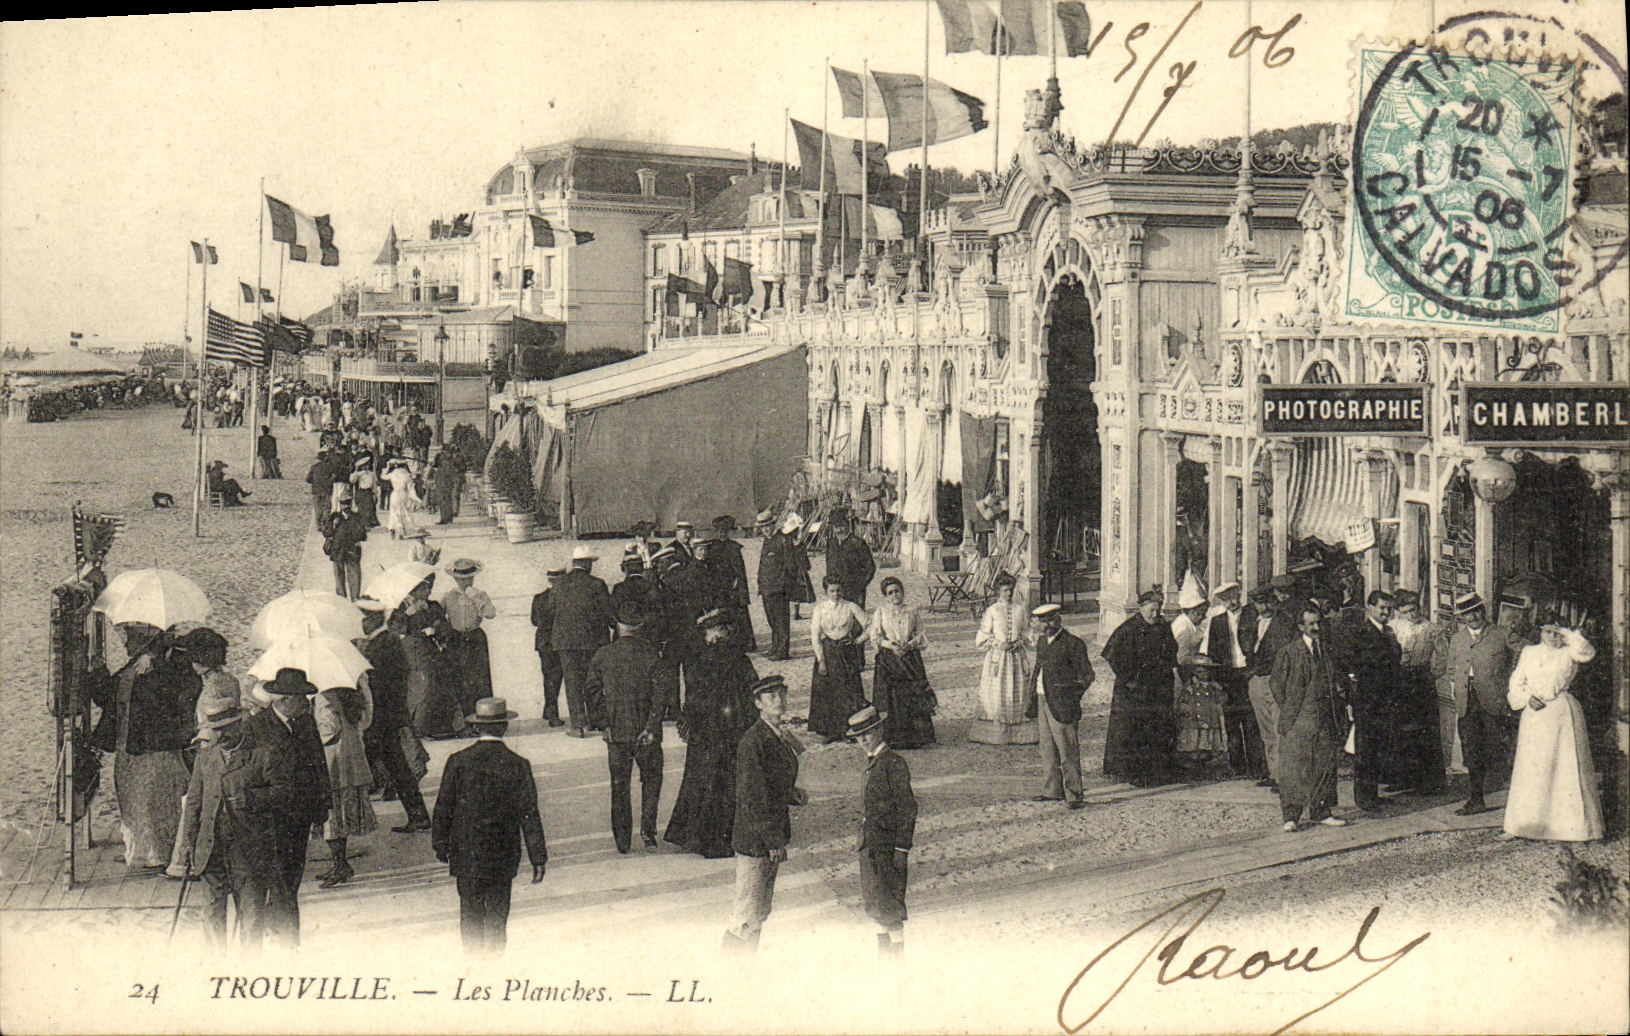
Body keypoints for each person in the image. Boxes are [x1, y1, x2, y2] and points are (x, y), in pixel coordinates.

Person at [432, 697, 548, 956]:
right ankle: (494, 966)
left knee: (470, 914)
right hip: (502, 855)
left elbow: (443, 807)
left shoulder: (458, 761)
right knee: (497, 916)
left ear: (476, 727)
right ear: (504, 726)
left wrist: (440, 844)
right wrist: (538, 857)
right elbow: (529, 814)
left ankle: (473, 965)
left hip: (466, 853)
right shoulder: (518, 764)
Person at [89, 622, 197, 870]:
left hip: (152, 748)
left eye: (132, 638)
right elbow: (107, 695)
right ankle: (139, 851)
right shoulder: (136, 664)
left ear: (145, 641)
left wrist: (155, 660)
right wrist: (99, 671)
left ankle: (157, 854)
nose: (126, 643)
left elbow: (174, 698)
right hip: (130, 746)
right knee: (132, 798)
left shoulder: (165, 665)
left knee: (153, 801)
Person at [177, 700, 275, 950]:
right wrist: (187, 842)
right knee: (212, 913)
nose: (219, 735)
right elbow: (193, 803)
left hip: (248, 849)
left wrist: (252, 799)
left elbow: (284, 793)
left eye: (224, 729)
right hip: (211, 848)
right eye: (215, 729)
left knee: (251, 915)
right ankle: (215, 964)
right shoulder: (205, 757)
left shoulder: (262, 754)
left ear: (239, 724)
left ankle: (250, 966)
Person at [243, 668, 331, 947]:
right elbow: (249, 774)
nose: (306, 702)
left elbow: (319, 765)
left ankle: (277, 922)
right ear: (286, 699)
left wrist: (322, 808)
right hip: (272, 817)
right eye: (302, 697)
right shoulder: (256, 726)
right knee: (280, 877)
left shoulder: (305, 722)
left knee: (292, 874)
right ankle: (288, 937)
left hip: (301, 816)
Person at [666, 609, 759, 858]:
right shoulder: (739, 660)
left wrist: (687, 720)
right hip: (730, 729)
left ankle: (697, 835)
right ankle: (722, 837)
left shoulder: (699, 660)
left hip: (707, 731)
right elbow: (752, 695)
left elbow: (693, 695)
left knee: (703, 779)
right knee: (725, 781)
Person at [1502, 614, 1603, 842]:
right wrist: (1527, 698)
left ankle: (1569, 828)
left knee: (1564, 766)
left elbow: (1587, 652)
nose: (1554, 637)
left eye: (1557, 633)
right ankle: (1524, 825)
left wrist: (1567, 633)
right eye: (1549, 632)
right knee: (1533, 767)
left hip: (1561, 713)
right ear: (1540, 632)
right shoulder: (1529, 652)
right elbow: (1516, 682)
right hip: (1535, 714)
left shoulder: (1570, 652)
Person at [724, 675, 806, 954]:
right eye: (770, 697)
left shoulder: (776, 735)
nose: (778, 700)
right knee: (745, 916)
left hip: (767, 836)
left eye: (781, 694)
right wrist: (772, 841)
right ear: (758, 704)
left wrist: (792, 794)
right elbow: (752, 797)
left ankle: (745, 972)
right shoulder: (753, 741)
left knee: (758, 912)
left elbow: (771, 784)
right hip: (755, 840)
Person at [587, 613, 676, 854]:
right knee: (652, 781)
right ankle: (648, 833)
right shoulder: (651, 655)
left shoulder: (603, 654)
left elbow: (592, 692)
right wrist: (651, 727)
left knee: (619, 785)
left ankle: (622, 839)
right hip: (646, 733)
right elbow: (662, 694)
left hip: (616, 732)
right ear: (641, 626)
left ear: (618, 627)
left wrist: (603, 724)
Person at [1434, 592, 1527, 817]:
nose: (1473, 617)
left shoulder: (1501, 634)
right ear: (1461, 617)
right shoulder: (1458, 639)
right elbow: (1451, 669)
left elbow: (1526, 652)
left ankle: (1516, 802)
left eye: (1476, 611)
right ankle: (1476, 799)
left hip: (1494, 701)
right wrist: (1459, 684)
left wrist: (1511, 679)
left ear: (1483, 612)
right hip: (1467, 703)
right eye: (1467, 614)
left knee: (1498, 749)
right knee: (1471, 750)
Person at [847, 704, 917, 958]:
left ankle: (895, 961)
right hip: (870, 846)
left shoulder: (893, 763)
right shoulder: (872, 763)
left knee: (889, 907)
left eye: (868, 733)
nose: (864, 740)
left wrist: (901, 848)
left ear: (880, 730)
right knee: (875, 905)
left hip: (888, 848)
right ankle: (884, 959)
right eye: (859, 737)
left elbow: (907, 808)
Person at [356, 599, 432, 832]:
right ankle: (416, 814)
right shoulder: (386, 641)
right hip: (390, 714)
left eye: (363, 618)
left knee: (392, 765)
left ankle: (416, 815)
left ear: (372, 619)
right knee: (394, 764)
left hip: (382, 717)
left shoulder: (380, 646)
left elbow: (378, 685)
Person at [1272, 607, 1347, 831]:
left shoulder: (1327, 650)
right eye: (1311, 624)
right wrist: (1292, 708)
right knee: (1295, 768)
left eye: (1318, 623)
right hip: (1299, 718)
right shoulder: (1289, 652)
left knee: (1324, 765)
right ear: (1300, 626)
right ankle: (1291, 816)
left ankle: (1321, 811)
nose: (1316, 628)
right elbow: (1277, 685)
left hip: (1325, 716)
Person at [1101, 587, 1180, 786]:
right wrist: (1128, 678)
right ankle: (1135, 773)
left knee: (1160, 727)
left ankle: (1161, 771)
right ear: (1142, 608)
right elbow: (1111, 654)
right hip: (1134, 690)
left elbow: (1172, 650)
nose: (1155, 614)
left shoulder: (1163, 626)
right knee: (1136, 730)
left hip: (1159, 687)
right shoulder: (1129, 629)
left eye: (1158, 609)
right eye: (1151, 610)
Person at [1334, 591, 1401, 811]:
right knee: (1365, 750)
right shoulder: (1361, 633)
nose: (1386, 612)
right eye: (1382, 608)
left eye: (1389, 608)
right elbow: (1349, 666)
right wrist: (1353, 695)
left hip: (1385, 699)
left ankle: (1373, 794)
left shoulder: (1387, 632)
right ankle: (1364, 798)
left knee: (1378, 748)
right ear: (1369, 608)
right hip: (1367, 701)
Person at [1027, 603, 1094, 809]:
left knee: (1067, 751)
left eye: (1038, 622)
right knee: (1047, 748)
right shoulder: (1042, 642)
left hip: (1062, 705)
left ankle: (1074, 794)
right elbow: (1038, 669)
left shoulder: (1073, 644)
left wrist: (1070, 696)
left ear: (1053, 622)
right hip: (1042, 700)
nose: (1035, 625)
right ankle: (1052, 790)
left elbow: (1087, 676)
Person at [314, 675, 375, 888]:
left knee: (332, 815)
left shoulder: (325, 695)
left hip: (333, 761)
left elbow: (328, 729)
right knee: (340, 814)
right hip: (352, 759)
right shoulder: (353, 690)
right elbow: (365, 720)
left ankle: (340, 864)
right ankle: (340, 863)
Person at [1204, 582, 1268, 781]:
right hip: (1229, 676)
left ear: (1239, 595)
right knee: (1231, 722)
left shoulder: (1252, 615)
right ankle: (1237, 766)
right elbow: (1213, 652)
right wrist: (1216, 680)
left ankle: (1257, 766)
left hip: (1248, 672)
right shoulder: (1217, 622)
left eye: (1232, 597)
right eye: (1225, 600)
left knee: (1251, 721)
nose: (1230, 603)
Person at [552, 545, 616, 738]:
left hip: (566, 642)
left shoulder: (559, 583)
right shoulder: (597, 584)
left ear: (574, 562)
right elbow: (608, 611)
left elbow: (550, 610)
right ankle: (596, 721)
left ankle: (578, 725)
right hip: (593, 641)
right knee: (594, 681)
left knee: (572, 682)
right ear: (587, 564)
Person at [867, 576, 936, 749]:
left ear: (902, 592)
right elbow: (875, 636)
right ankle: (895, 737)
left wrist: (910, 645)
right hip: (890, 658)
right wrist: (890, 646)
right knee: (894, 697)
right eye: (890, 593)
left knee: (912, 695)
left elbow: (920, 633)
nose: (894, 595)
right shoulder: (881, 612)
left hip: (910, 657)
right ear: (885, 596)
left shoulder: (911, 611)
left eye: (897, 591)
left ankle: (915, 737)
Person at [1389, 590, 1445, 794]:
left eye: (1413, 610)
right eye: (1405, 612)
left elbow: (1443, 656)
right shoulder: (1393, 627)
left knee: (1424, 731)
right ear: (1398, 612)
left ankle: (1429, 783)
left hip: (1422, 682)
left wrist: (1430, 675)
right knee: (1400, 730)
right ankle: (1403, 778)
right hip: (1398, 680)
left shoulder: (1431, 629)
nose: (1410, 615)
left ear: (1419, 608)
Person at [971, 573, 1038, 745]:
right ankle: (997, 734)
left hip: (1016, 657)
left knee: (1017, 690)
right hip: (998, 659)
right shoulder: (992, 611)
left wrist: (1019, 642)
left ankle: (1018, 734)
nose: (1009, 593)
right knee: (998, 692)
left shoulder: (1020, 609)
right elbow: (983, 635)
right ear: (998, 591)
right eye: (1005, 590)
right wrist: (997, 643)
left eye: (1011, 590)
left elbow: (1027, 632)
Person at [1247, 577, 1300, 790]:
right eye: (1260, 603)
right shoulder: (1252, 623)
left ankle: (1283, 777)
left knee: (1279, 728)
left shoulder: (1285, 623)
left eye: (1269, 602)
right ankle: (1273, 772)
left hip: (1276, 679)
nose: (1265, 607)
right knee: (1266, 729)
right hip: (1257, 679)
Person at [396, 576, 461, 739]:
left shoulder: (433, 606)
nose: (428, 592)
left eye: (429, 589)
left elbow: (445, 627)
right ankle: (418, 728)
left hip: (433, 651)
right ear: (414, 591)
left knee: (443, 683)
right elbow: (396, 630)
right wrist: (406, 615)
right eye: (424, 589)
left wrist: (435, 630)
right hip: (414, 654)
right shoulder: (402, 608)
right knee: (424, 686)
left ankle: (447, 725)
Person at [808, 574, 870, 743]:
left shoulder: (850, 607)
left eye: (838, 590)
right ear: (826, 592)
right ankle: (831, 731)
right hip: (828, 653)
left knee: (849, 690)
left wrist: (858, 641)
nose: (835, 594)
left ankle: (848, 729)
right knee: (828, 691)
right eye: (832, 591)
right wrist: (820, 659)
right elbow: (815, 634)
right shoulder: (820, 609)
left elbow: (870, 625)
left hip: (846, 653)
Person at [1170, 580, 1223, 761]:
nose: (1201, 617)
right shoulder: (1183, 628)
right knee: (1186, 713)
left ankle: (1195, 749)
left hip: (1187, 672)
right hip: (1181, 675)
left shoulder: (1190, 623)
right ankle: (1185, 751)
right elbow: (1181, 658)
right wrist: (1202, 661)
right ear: (1192, 612)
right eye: (1200, 614)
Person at [441, 558, 498, 720]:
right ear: (455, 579)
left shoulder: (480, 595)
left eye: (469, 578)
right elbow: (438, 617)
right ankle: (463, 719)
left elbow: (490, 614)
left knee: (480, 679)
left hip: (475, 638)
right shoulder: (448, 597)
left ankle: (482, 716)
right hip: (455, 639)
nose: (466, 582)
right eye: (461, 579)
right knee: (458, 678)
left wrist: (476, 597)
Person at [174, 627, 244, 743]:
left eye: (193, 660)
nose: (191, 664)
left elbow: (211, 725)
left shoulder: (212, 686)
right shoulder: (231, 679)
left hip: (212, 741)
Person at [757, 512, 810, 661]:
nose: (766, 529)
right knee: (772, 620)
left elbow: (791, 566)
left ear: (773, 524)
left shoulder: (783, 540)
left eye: (768, 526)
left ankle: (782, 651)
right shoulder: (767, 541)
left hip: (779, 589)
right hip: (767, 588)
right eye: (763, 527)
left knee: (781, 621)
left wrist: (783, 585)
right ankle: (775, 646)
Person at [707, 515, 757, 652]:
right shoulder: (712, 547)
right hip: (718, 587)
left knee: (739, 615)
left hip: (733, 588)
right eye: (720, 531)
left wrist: (738, 584)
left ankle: (746, 643)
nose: (722, 534)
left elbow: (740, 570)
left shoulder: (734, 547)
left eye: (724, 531)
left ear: (728, 532)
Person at [530, 567, 567, 727]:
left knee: (549, 677)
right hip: (558, 641)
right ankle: (553, 715)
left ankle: (548, 710)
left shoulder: (539, 597)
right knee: (556, 677)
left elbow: (534, 621)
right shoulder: (563, 597)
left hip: (543, 642)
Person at [323, 488, 367, 601]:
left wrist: (357, 534)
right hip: (338, 550)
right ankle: (341, 600)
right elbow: (326, 533)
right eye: (343, 503)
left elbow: (363, 535)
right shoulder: (334, 516)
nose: (345, 506)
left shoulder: (356, 517)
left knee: (354, 576)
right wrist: (333, 525)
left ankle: (355, 599)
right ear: (340, 504)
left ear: (350, 503)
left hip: (352, 550)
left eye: (347, 503)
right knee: (339, 576)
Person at [825, 516, 877, 608]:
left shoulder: (858, 543)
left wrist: (860, 585)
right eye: (836, 527)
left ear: (847, 525)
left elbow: (870, 567)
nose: (839, 530)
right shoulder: (831, 543)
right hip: (836, 591)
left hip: (854, 592)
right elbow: (829, 565)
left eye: (842, 526)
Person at [383, 458, 421, 539]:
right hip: (403, 495)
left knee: (393, 512)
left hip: (394, 494)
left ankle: (392, 528)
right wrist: (417, 499)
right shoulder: (407, 476)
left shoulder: (393, 474)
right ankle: (401, 530)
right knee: (402, 513)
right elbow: (411, 490)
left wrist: (388, 467)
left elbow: (382, 476)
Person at [306, 448, 341, 529]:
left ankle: (318, 525)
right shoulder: (329, 467)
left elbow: (308, 479)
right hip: (326, 490)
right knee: (327, 507)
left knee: (318, 507)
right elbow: (334, 477)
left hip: (316, 490)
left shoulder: (314, 467)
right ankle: (324, 523)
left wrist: (315, 481)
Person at [431, 449, 463, 524]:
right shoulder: (446, 463)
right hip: (445, 484)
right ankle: (448, 518)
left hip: (444, 485)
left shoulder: (445, 464)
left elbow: (450, 474)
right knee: (446, 501)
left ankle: (445, 518)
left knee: (443, 501)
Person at [350, 455, 379, 529]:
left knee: (370, 508)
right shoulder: (359, 474)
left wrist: (376, 494)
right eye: (364, 465)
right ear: (362, 467)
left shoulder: (372, 474)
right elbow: (352, 480)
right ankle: (363, 523)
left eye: (367, 465)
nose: (366, 467)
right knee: (362, 509)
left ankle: (369, 523)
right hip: (362, 492)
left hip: (369, 492)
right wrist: (356, 469)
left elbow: (374, 484)